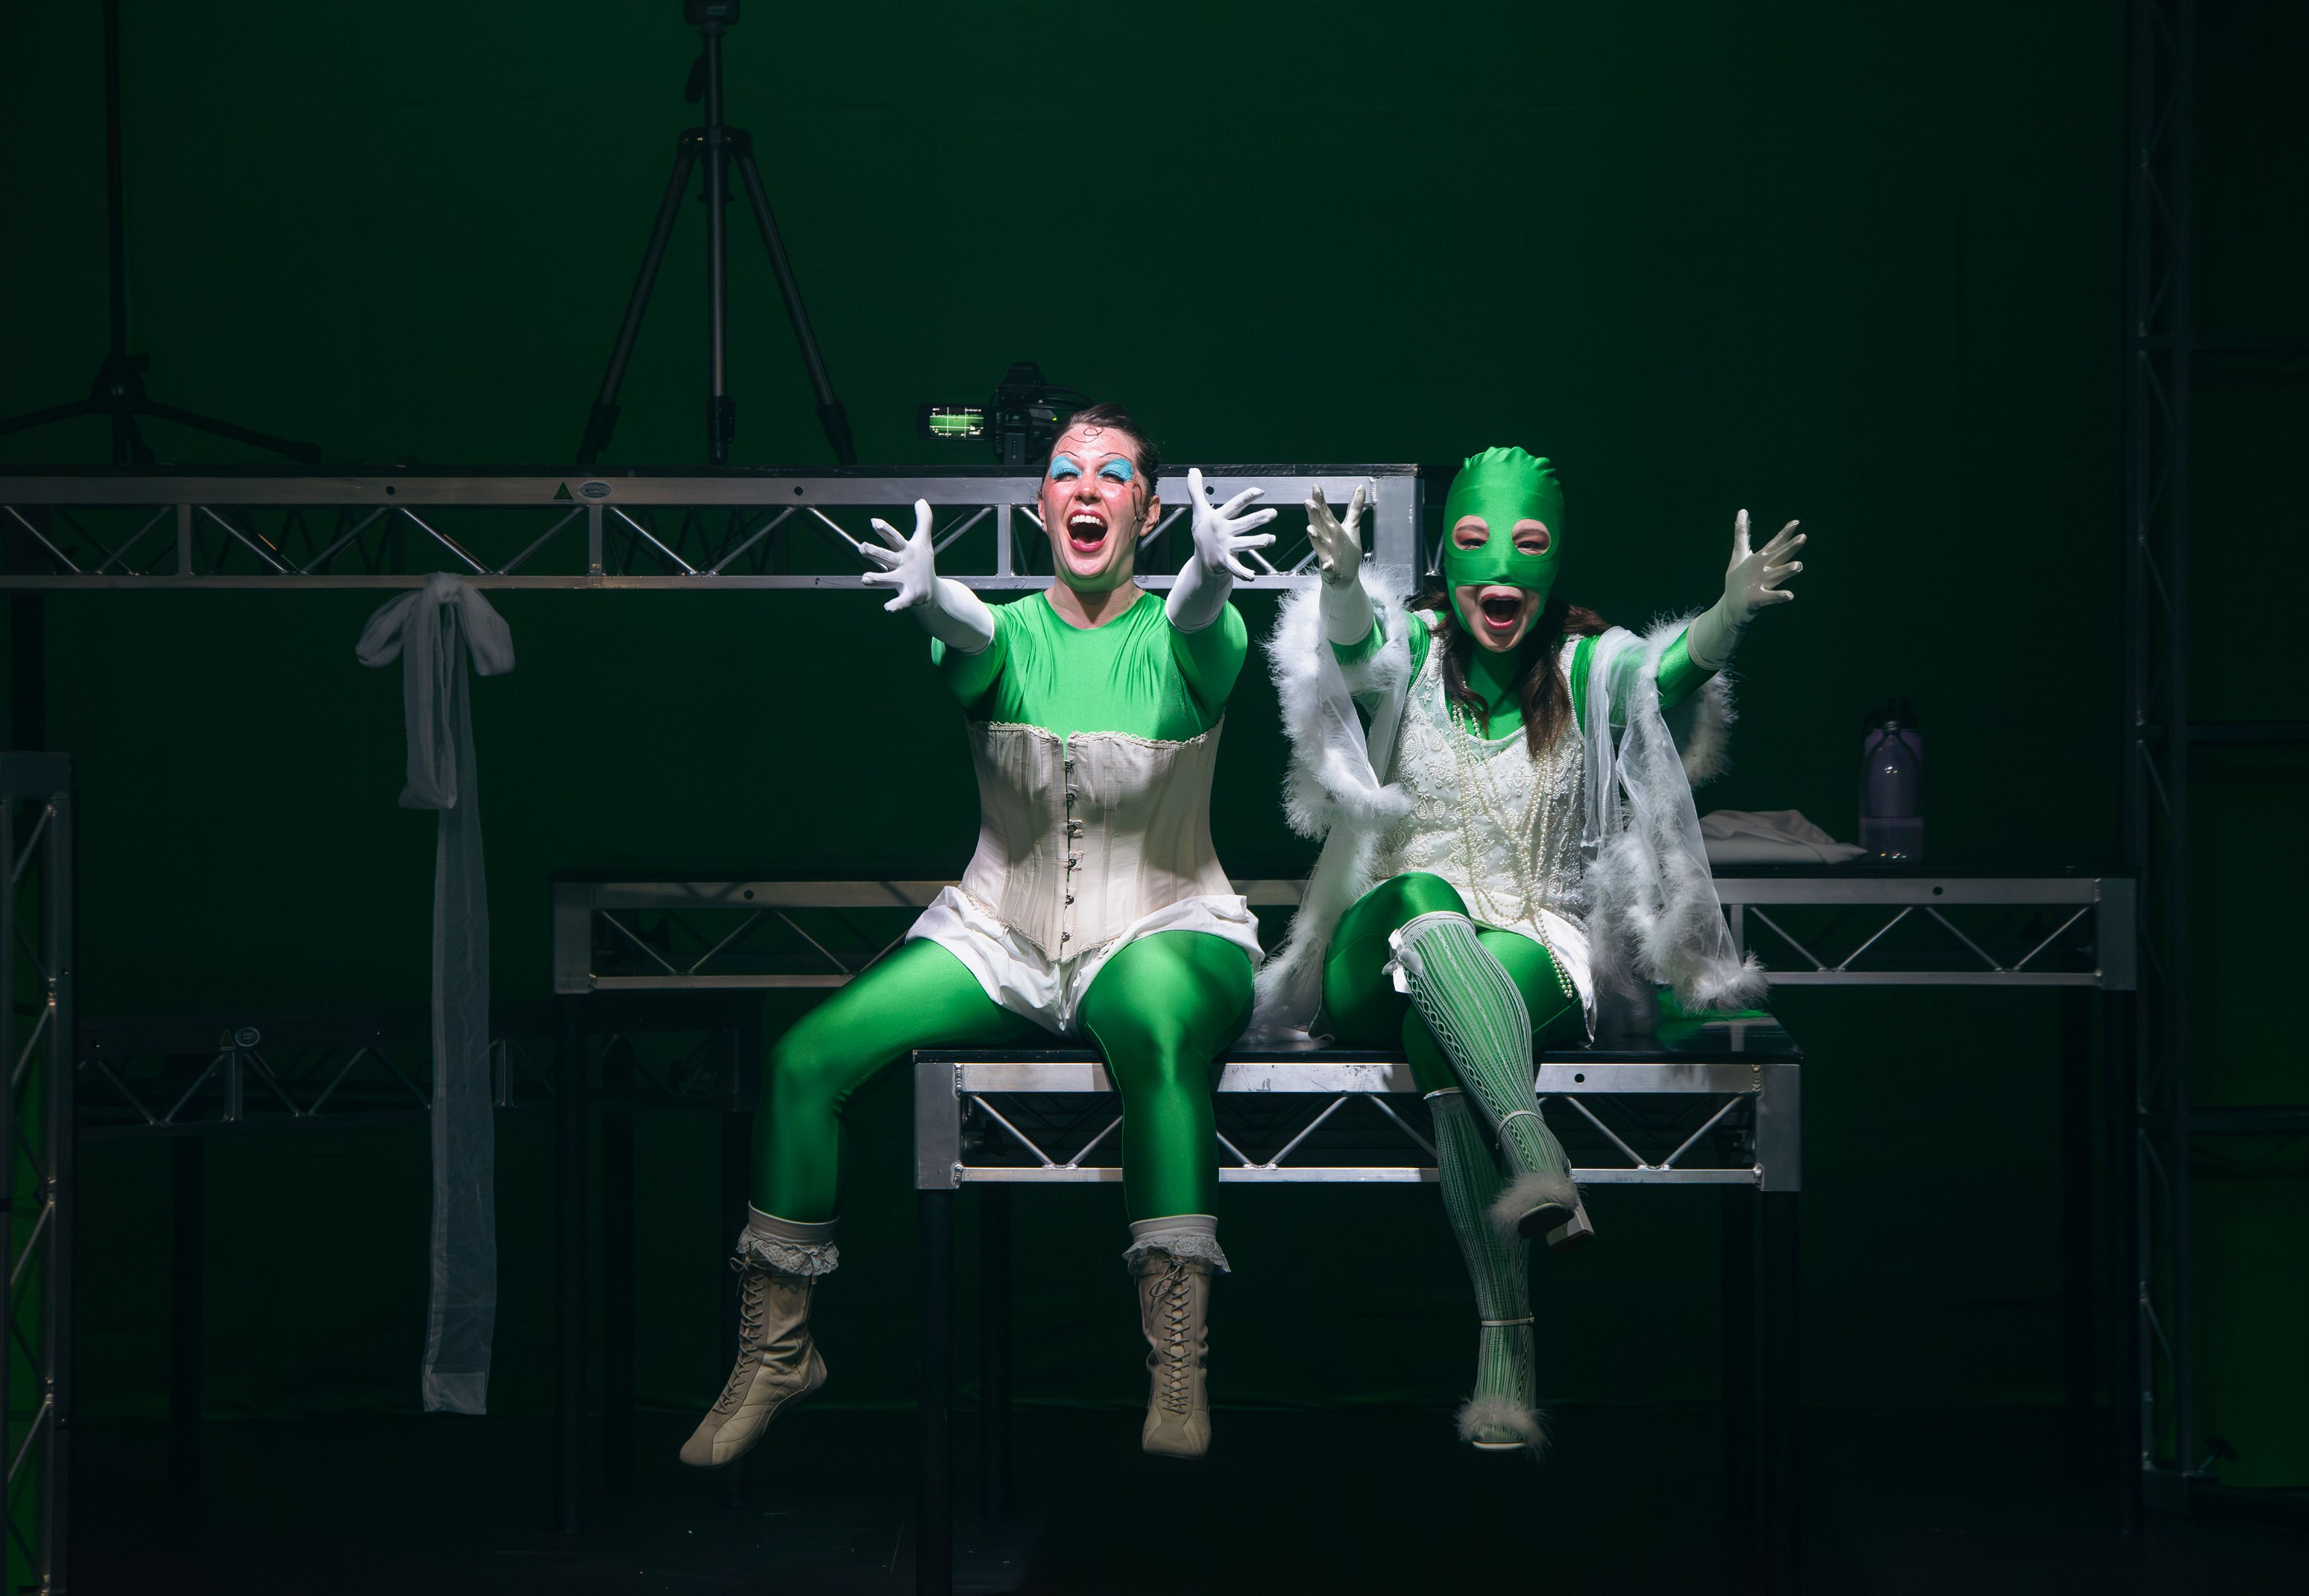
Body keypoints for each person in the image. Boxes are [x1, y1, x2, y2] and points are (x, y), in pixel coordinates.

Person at [682, 404, 1278, 1467]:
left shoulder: (1193, 639)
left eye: (1111, 476)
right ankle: (778, 1352)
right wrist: (932, 596)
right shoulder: (1003, 635)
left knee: (1153, 1025)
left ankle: (1177, 1359)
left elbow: (1195, 618)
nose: (1084, 490)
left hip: (1166, 918)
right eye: (1063, 473)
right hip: (998, 927)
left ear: (1147, 505)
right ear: (1041, 501)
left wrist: (1213, 572)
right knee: (801, 1060)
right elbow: (972, 630)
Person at [1251, 445, 1803, 1451]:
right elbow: (1356, 643)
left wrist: (1726, 615)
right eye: (1474, 545)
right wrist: (1338, 583)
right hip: (1379, 944)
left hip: (1532, 946)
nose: (1498, 575)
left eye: (1526, 548)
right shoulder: (1412, 650)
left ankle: (1506, 1346)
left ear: (1552, 565)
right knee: (1421, 897)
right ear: (1449, 564)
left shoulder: (1587, 665)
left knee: (1446, 1031)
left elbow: (1666, 674)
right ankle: (1534, 1145)